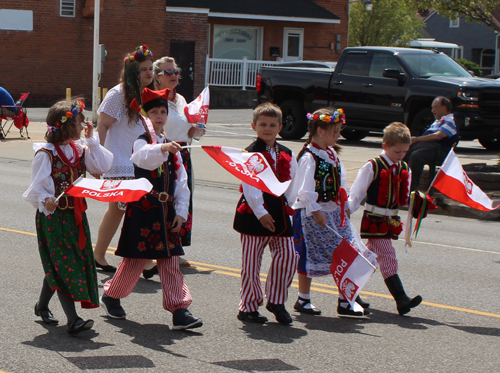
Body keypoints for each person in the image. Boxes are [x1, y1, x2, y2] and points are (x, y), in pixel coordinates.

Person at [100, 87, 203, 330]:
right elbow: (142, 158)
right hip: (145, 210)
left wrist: (180, 212)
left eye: (163, 112)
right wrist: (162, 149)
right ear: (146, 115)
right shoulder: (142, 141)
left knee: (170, 261)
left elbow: (181, 182)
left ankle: (180, 309)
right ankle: (112, 295)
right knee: (135, 260)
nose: (159, 116)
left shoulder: (171, 146)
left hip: (166, 212)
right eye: (154, 111)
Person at [23, 98, 113, 334]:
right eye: (80, 121)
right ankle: (73, 320)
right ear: (65, 125)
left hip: (76, 216)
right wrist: (46, 200)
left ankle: (41, 306)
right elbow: (36, 189)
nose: (84, 125)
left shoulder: (79, 149)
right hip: (54, 219)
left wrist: (92, 141)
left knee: (65, 264)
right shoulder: (46, 154)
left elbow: (101, 167)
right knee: (63, 266)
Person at [288, 108, 377, 317]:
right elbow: (305, 189)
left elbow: (340, 181)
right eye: (335, 131)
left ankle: (346, 300)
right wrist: (316, 211)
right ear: (320, 130)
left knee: (349, 254)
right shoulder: (310, 157)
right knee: (308, 256)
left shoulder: (330, 153)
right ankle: (303, 299)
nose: (338, 135)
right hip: (313, 216)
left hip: (335, 213)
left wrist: (344, 204)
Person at [233, 103, 298, 325]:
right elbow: (250, 185)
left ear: (280, 127)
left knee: (289, 256)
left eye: (272, 125)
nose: (267, 129)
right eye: (262, 124)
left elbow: (293, 181)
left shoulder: (287, 153)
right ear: (254, 126)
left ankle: (277, 301)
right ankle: (248, 306)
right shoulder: (250, 153)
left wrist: (289, 202)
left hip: (280, 210)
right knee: (251, 264)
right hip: (254, 213)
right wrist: (261, 212)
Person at [141, 56, 205, 278]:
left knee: (183, 200)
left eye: (176, 71)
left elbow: (186, 129)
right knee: (162, 201)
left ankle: (175, 247)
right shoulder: (154, 101)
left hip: (183, 153)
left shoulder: (181, 100)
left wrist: (195, 131)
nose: (174, 75)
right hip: (162, 154)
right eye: (168, 72)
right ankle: (154, 251)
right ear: (157, 77)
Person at [349, 122, 422, 316]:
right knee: (387, 255)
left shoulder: (404, 168)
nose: (401, 155)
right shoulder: (372, 166)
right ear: (385, 146)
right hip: (374, 219)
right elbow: (357, 192)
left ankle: (349, 291)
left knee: (369, 259)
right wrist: (346, 211)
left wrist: (417, 201)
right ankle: (401, 298)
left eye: (405, 152)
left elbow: (404, 198)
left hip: (390, 221)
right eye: (397, 151)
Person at [93, 44, 155, 272]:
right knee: (122, 210)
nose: (149, 73)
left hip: (140, 162)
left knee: (127, 211)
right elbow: (102, 126)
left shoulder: (147, 95)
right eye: (143, 69)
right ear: (132, 72)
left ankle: (101, 255)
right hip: (120, 162)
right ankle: (139, 261)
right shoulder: (117, 94)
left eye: (150, 68)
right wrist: (97, 158)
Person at [404, 96, 459, 191]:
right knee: (403, 152)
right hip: (427, 147)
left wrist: (416, 139)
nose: (433, 110)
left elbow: (438, 136)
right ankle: (400, 184)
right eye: (432, 107)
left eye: (436, 107)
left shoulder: (450, 120)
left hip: (440, 150)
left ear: (445, 108)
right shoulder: (436, 122)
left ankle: (411, 189)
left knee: (416, 156)